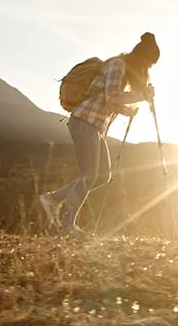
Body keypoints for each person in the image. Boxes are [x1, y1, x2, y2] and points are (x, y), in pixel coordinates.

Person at [39, 32, 159, 234]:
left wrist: (127, 110)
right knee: (90, 175)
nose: (148, 69)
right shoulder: (118, 65)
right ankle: (67, 225)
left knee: (102, 176)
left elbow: (109, 100)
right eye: (149, 64)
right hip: (85, 121)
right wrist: (142, 95)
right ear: (142, 58)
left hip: (96, 125)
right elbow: (112, 95)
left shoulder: (123, 69)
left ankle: (53, 199)